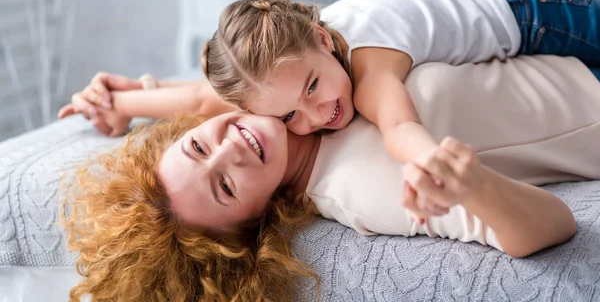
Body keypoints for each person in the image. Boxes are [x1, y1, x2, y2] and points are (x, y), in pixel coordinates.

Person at [61, 0, 600, 222]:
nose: (319, 114)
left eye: (314, 87)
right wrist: (124, 102)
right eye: (291, 115)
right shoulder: (291, 70)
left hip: (531, 5)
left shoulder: (367, 65)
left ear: (325, 37)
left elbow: (398, 126)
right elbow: (210, 104)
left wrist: (425, 164)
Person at [62, 55, 600, 301]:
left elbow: (203, 98)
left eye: (200, 144)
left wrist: (123, 100)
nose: (231, 148)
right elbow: (553, 226)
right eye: (225, 186)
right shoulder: (361, 186)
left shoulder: (268, 99)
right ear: (251, 224)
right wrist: (475, 187)